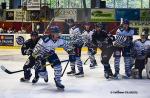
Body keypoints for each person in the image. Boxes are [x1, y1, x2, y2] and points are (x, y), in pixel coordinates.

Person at [32, 26, 74, 90]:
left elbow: (67, 46)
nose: (58, 35)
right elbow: (36, 50)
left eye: (58, 33)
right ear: (52, 34)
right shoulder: (44, 40)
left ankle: (58, 81)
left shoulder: (60, 40)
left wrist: (71, 53)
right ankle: (44, 74)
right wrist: (37, 58)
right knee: (41, 72)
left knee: (58, 66)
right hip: (41, 55)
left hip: (51, 54)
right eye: (56, 33)